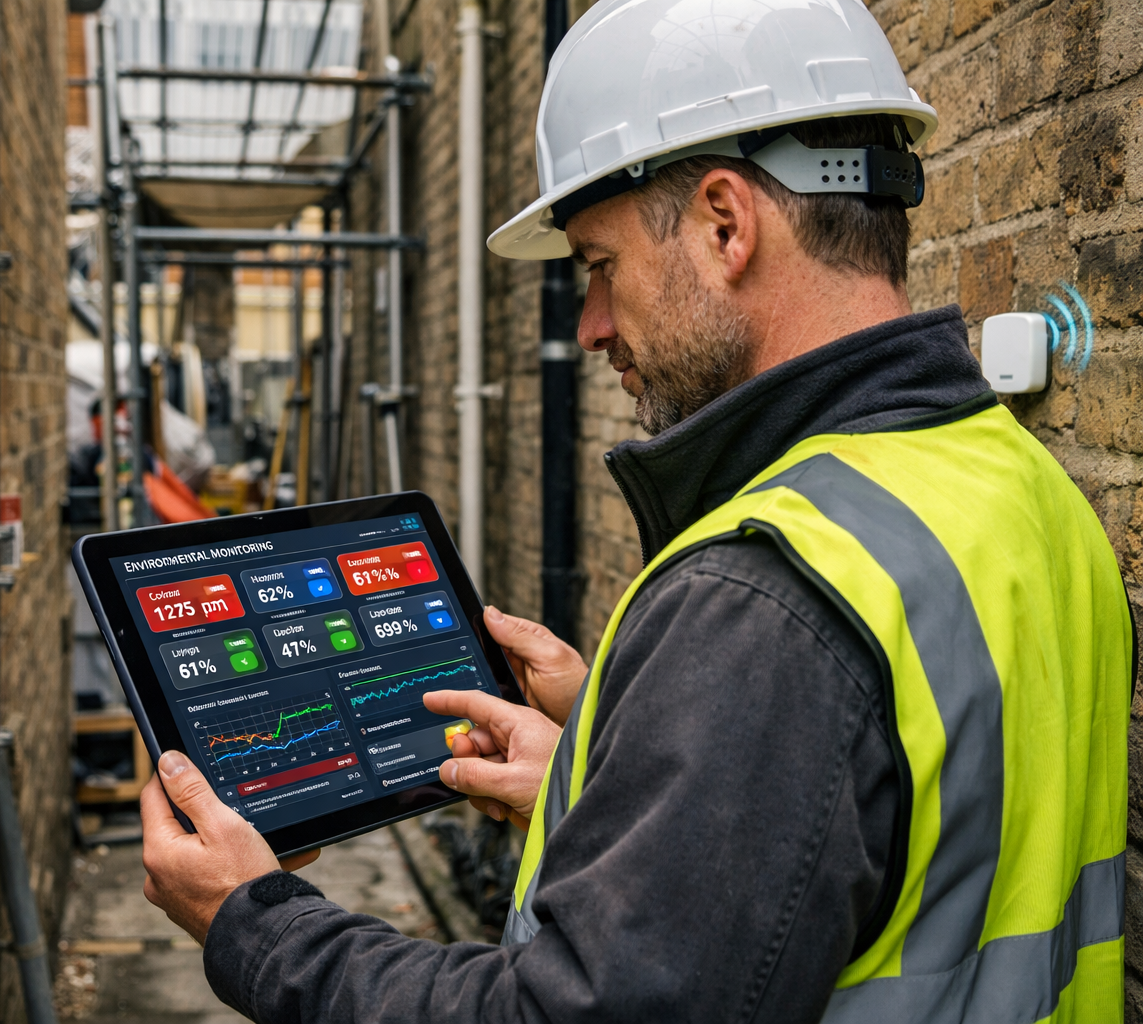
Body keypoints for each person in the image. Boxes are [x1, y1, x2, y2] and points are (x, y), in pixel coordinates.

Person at [136, 1, 1132, 1020]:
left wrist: (252, 923)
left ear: (725, 223)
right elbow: (904, 831)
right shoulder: (1026, 488)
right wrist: (607, 769)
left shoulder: (763, 597)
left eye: (600, 266)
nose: (593, 325)